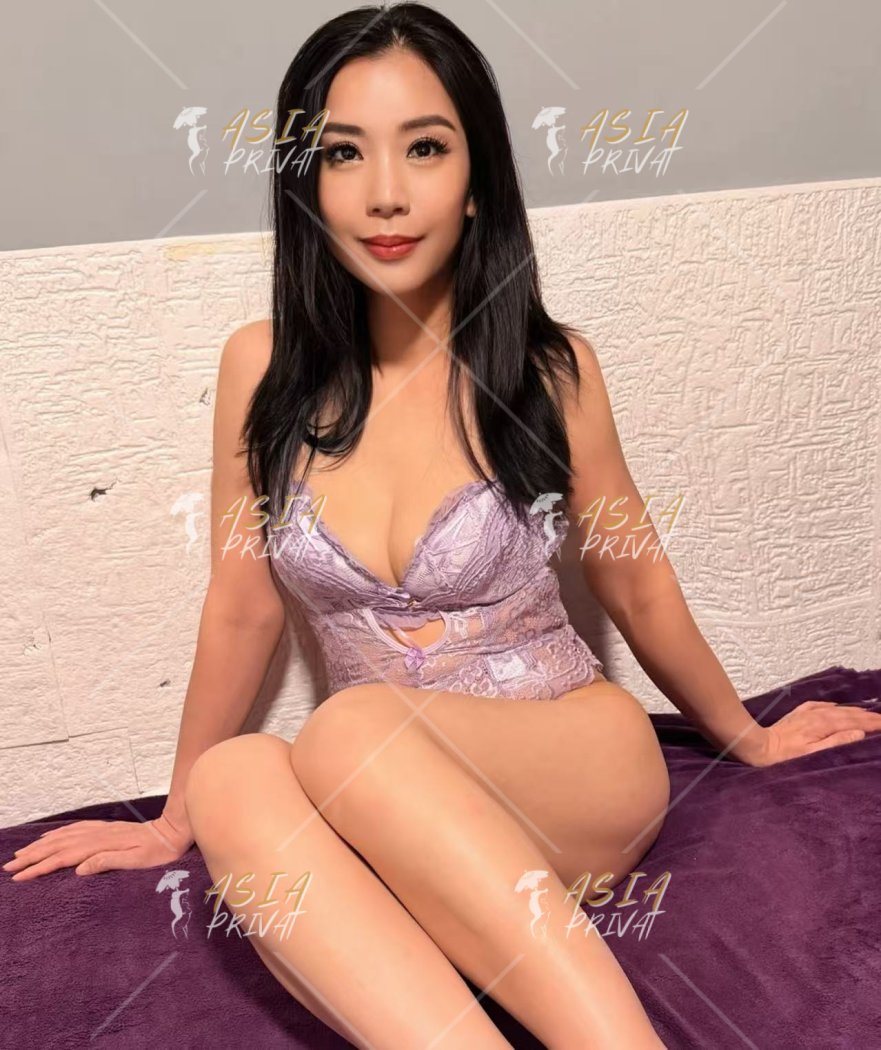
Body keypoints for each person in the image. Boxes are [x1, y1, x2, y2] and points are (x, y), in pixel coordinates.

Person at [6, 4, 880, 1047]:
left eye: (424, 147)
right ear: (305, 182)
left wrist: (746, 735)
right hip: (386, 800)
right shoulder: (259, 368)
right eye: (344, 153)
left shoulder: (549, 369)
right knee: (236, 776)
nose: (385, 192)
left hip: (571, 762)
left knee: (349, 728)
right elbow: (241, 606)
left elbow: (632, 577)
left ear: (476, 179)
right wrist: (173, 818)